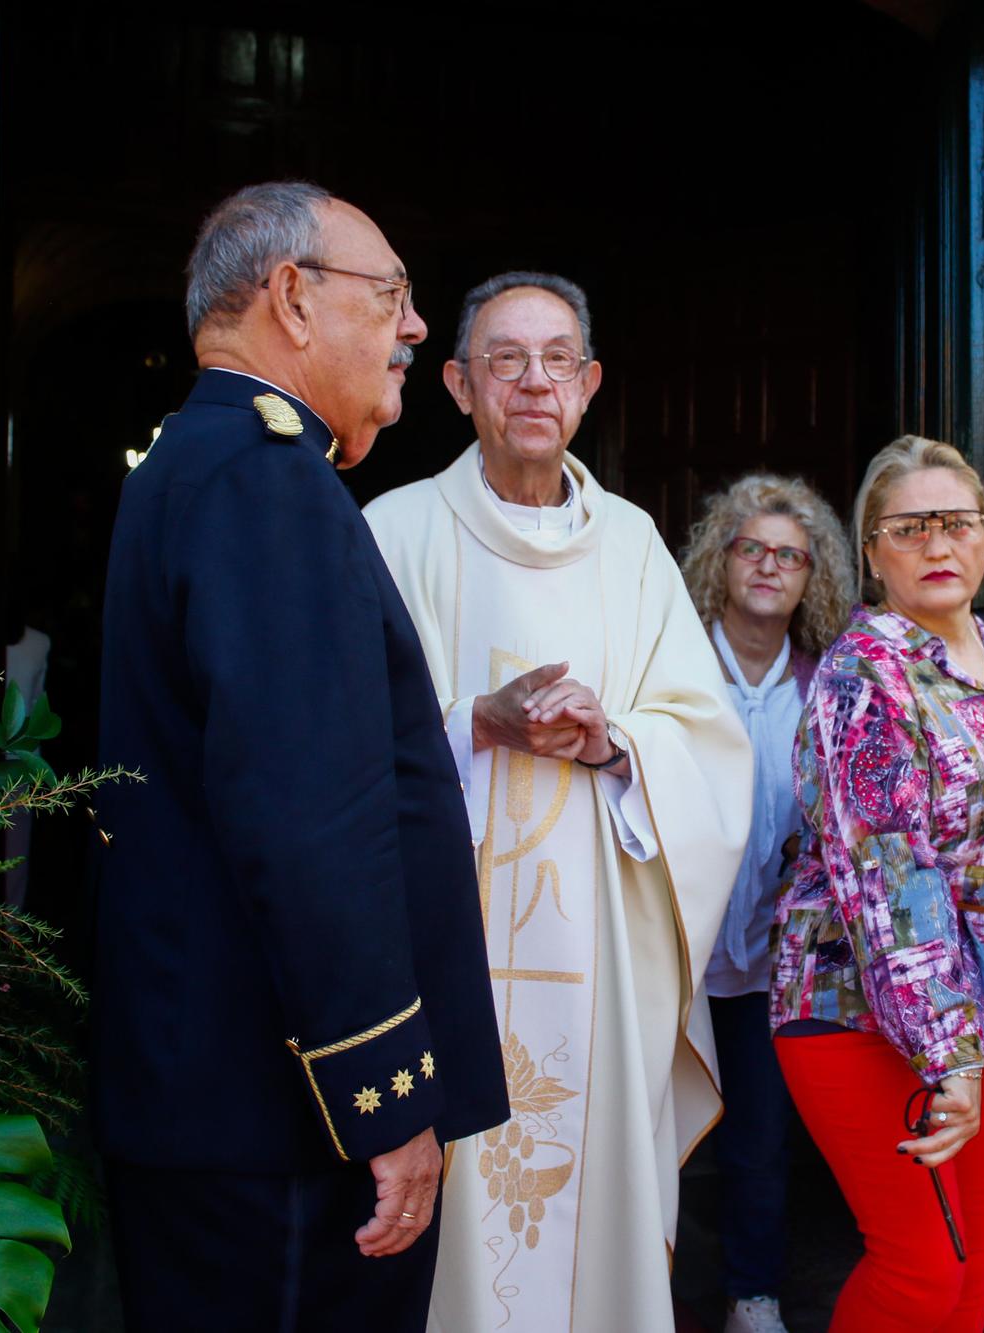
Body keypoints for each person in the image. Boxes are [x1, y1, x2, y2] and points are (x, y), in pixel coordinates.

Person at [92, 181, 508, 1332]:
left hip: (219, 1098)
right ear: (291, 296)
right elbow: (309, 818)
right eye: (391, 295)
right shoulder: (266, 482)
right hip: (281, 1118)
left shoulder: (200, 459)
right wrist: (380, 1097)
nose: (415, 328)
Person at [363, 271, 751, 1332]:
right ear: (455, 382)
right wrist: (473, 722)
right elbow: (338, 747)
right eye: (503, 358)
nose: (532, 382)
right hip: (447, 944)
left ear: (587, 385)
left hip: (601, 959)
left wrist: (615, 741)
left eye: (555, 361)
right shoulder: (392, 533)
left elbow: (708, 745)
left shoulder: (630, 543)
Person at [771, 435, 984, 1332]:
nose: (939, 546)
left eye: (957, 523)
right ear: (871, 551)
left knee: (974, 1249)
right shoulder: (862, 673)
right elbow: (893, 875)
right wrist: (946, 1053)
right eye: (911, 528)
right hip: (859, 1001)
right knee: (918, 1269)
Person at [677, 474, 855, 1333]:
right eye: (753, 547)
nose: (770, 566)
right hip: (671, 949)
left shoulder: (825, 687)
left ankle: (752, 1294)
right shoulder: (670, 666)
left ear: (809, 577)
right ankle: (630, 1285)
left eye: (791, 555)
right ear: (723, 557)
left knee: (760, 1137)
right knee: (643, 1130)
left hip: (768, 957)